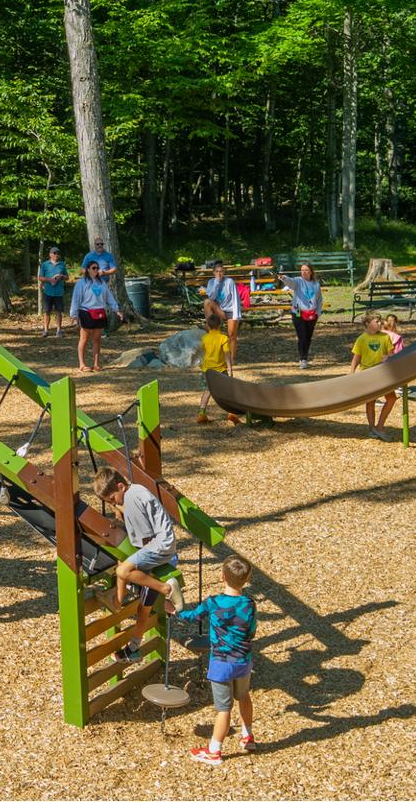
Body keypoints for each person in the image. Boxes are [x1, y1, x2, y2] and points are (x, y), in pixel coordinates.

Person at [93, 468, 187, 662]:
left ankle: (166, 589)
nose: (113, 503)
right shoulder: (135, 492)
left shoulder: (133, 500)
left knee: (124, 570)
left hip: (159, 549)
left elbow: (143, 540)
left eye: (112, 499)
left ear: (120, 486)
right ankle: (119, 602)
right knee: (141, 608)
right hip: (161, 548)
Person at [184, 556, 258, 765]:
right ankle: (248, 736)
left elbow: (192, 617)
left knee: (223, 709)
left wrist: (176, 611)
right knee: (243, 696)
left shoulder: (214, 602)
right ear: (247, 579)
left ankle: (214, 751)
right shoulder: (250, 604)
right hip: (243, 660)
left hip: (221, 663)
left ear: (222, 577)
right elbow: (252, 631)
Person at [350, 314, 397, 440]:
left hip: (382, 372)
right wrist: (351, 373)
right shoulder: (361, 339)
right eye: (377, 321)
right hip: (368, 373)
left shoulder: (385, 337)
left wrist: (388, 357)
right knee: (370, 401)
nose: (380, 323)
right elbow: (356, 357)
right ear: (367, 324)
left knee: (391, 398)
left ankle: (380, 426)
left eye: (380, 321)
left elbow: (392, 354)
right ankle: (372, 428)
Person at [69, 260, 122, 371]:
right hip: (86, 312)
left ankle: (96, 364)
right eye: (93, 268)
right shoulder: (81, 283)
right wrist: (73, 314)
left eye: (97, 268)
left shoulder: (102, 283)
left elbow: (109, 297)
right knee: (84, 338)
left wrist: (116, 309)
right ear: (88, 270)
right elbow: (76, 299)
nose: (96, 270)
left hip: (99, 313)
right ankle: (82, 365)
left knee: (97, 339)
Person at [197, 315, 240, 425]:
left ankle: (202, 414)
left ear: (207, 325)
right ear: (220, 325)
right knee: (227, 392)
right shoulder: (223, 338)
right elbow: (226, 354)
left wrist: (201, 364)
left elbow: (201, 353)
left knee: (207, 391)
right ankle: (231, 413)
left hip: (207, 370)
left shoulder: (204, 338)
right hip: (220, 370)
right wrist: (230, 368)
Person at [276, 262, 322, 368]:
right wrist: (283, 277)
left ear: (311, 272)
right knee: (302, 336)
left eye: (306, 270)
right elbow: (290, 282)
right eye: (302, 270)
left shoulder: (316, 284)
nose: (304, 272)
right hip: (298, 312)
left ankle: (305, 356)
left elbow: (319, 299)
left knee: (308, 337)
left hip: (311, 313)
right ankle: (303, 359)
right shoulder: (298, 281)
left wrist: (318, 312)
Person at [204, 263, 243, 351]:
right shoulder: (211, 282)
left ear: (224, 272)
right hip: (220, 310)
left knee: (231, 335)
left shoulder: (229, 281)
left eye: (221, 271)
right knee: (207, 302)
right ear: (213, 273)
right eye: (217, 271)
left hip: (231, 310)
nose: (219, 273)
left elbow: (236, 298)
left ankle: (232, 359)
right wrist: (217, 283)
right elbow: (212, 297)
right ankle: (210, 325)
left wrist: (236, 315)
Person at [37, 247, 69, 337]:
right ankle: (46, 330)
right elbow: (40, 277)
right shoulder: (45, 264)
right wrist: (50, 280)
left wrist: (61, 276)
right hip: (48, 292)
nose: (56, 255)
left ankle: (59, 331)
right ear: (50, 254)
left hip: (59, 292)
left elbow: (67, 277)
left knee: (59, 311)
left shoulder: (62, 264)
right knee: (47, 311)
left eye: (57, 253)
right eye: (54, 253)